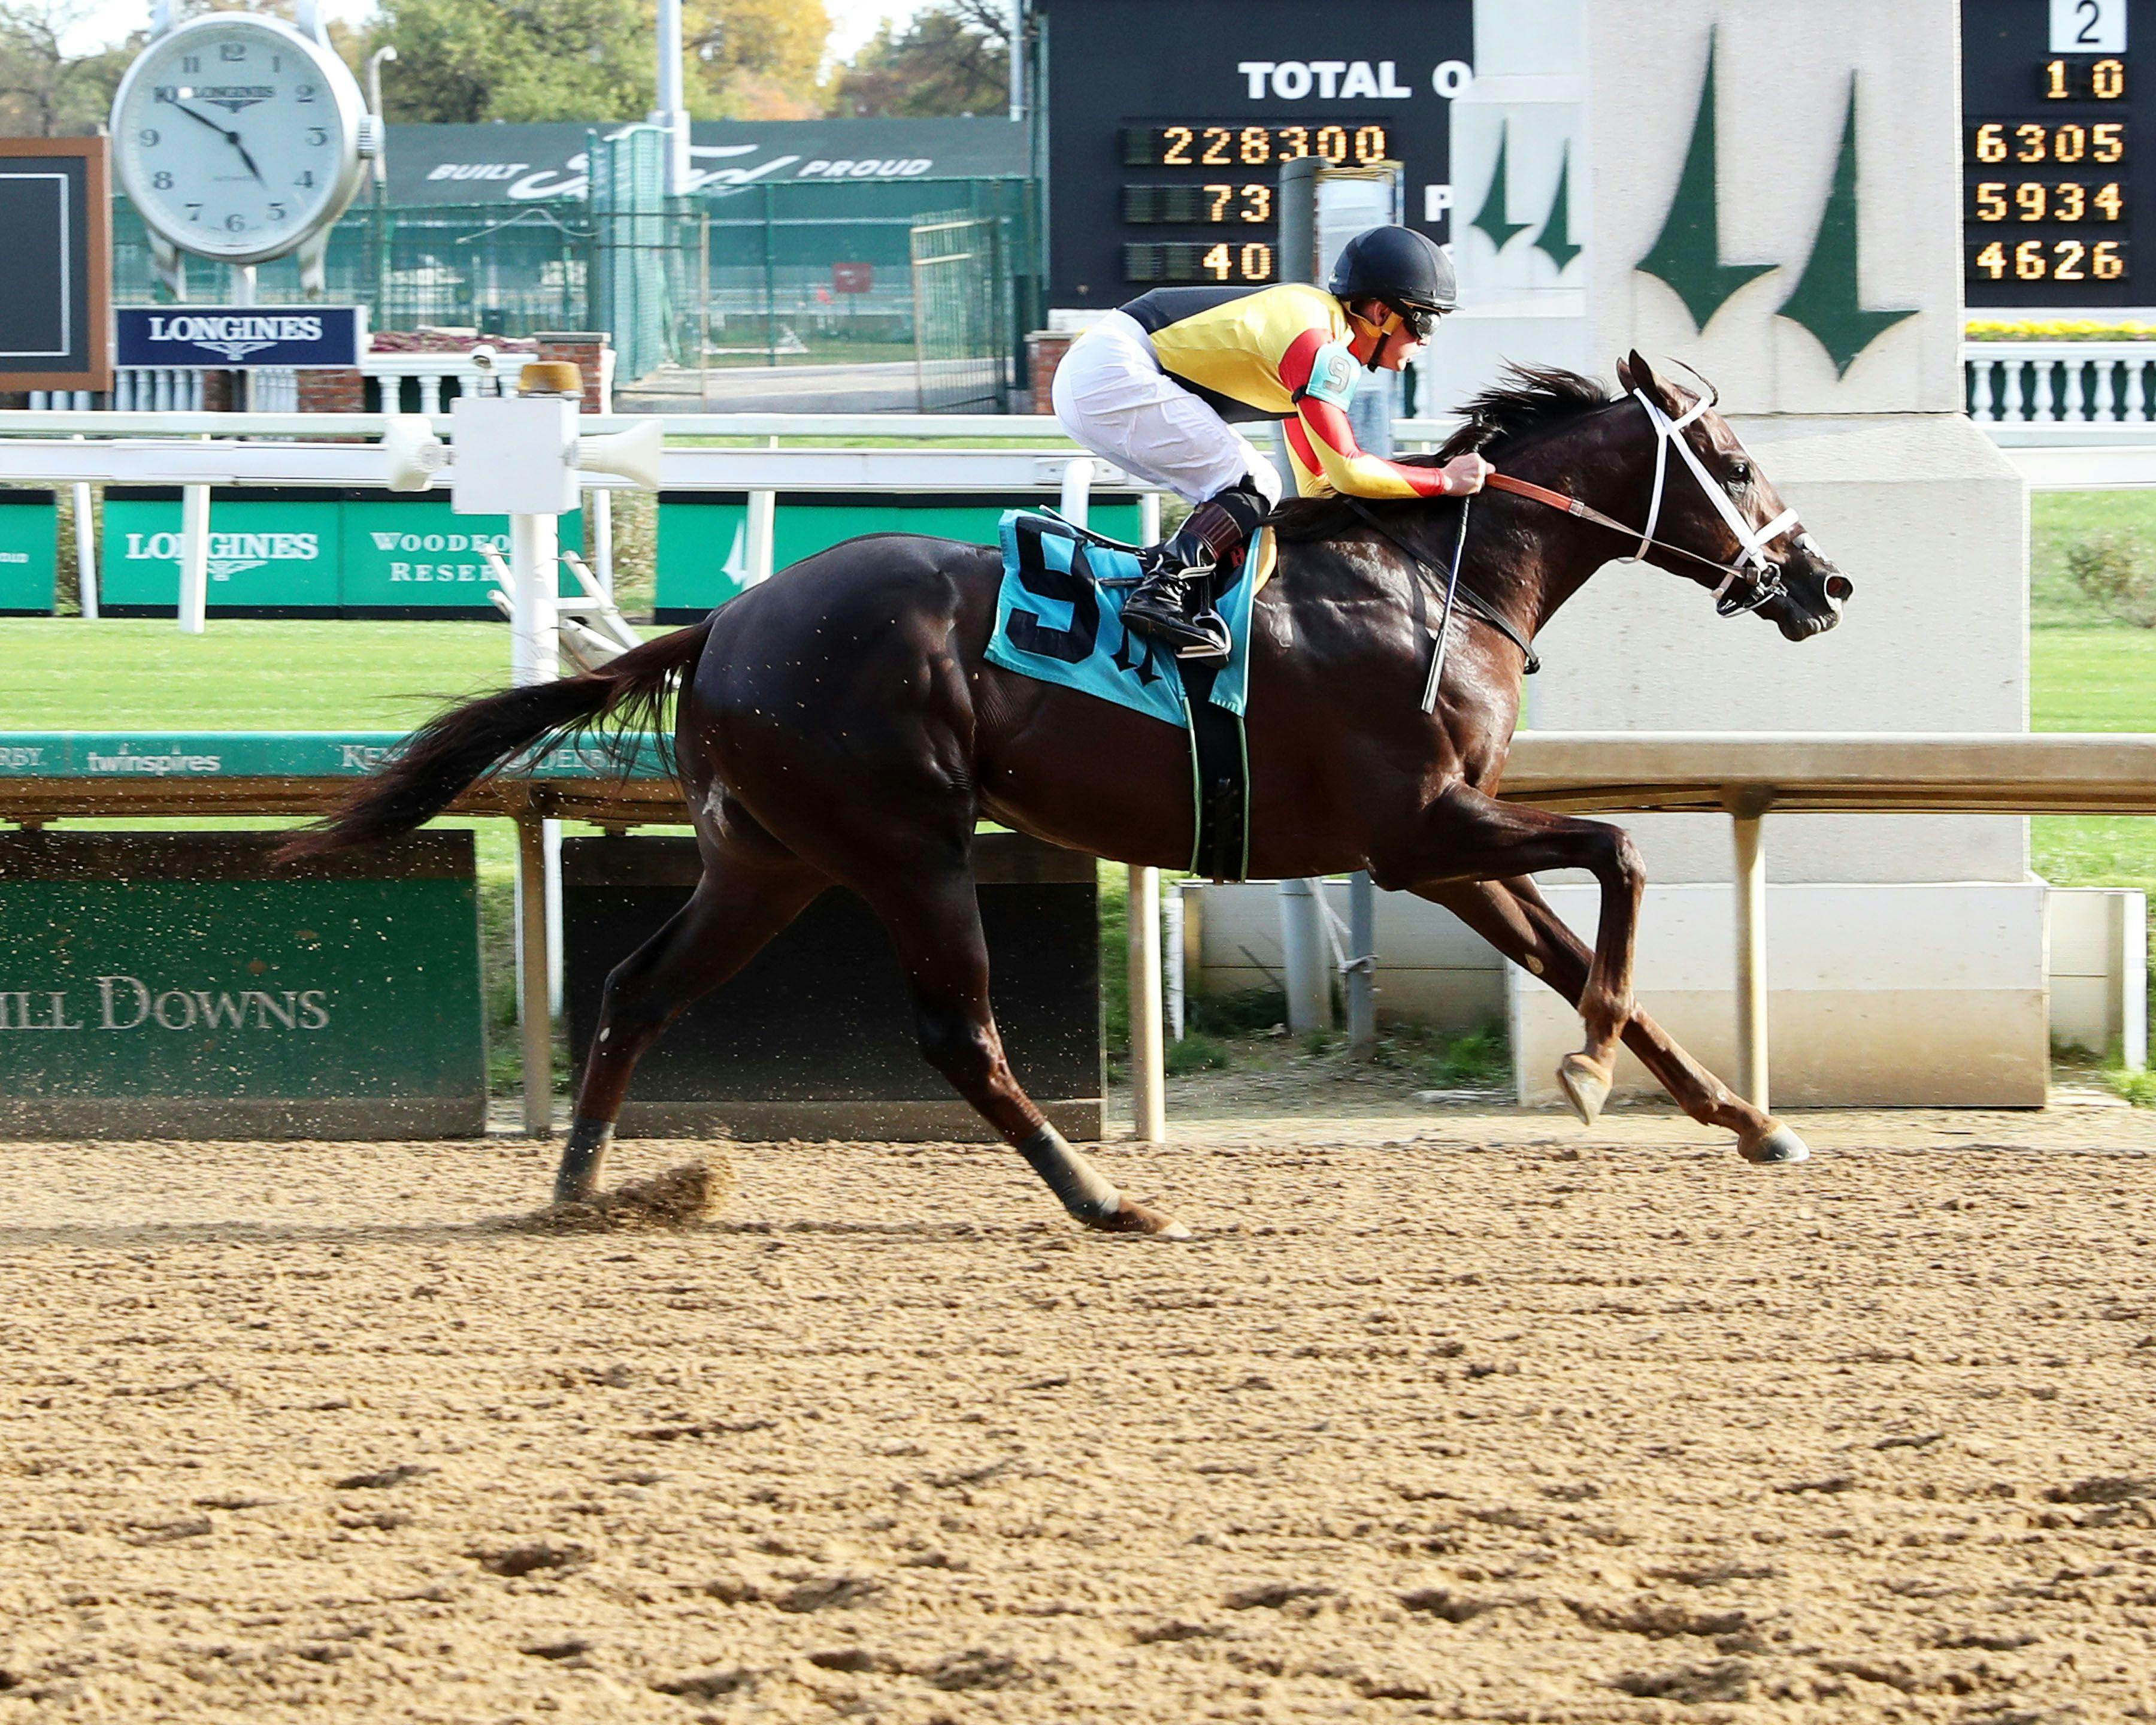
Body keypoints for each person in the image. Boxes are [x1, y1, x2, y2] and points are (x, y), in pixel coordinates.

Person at [1050, 224, 1495, 660]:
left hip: (1100, 373)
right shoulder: (1321, 346)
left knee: (1256, 489)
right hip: (1112, 370)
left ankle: (1183, 589)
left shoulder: (1319, 334)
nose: (1424, 340)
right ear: (1380, 313)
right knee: (1255, 483)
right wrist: (1444, 480)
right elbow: (1349, 468)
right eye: (1423, 320)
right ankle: (1164, 591)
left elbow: (1320, 484)